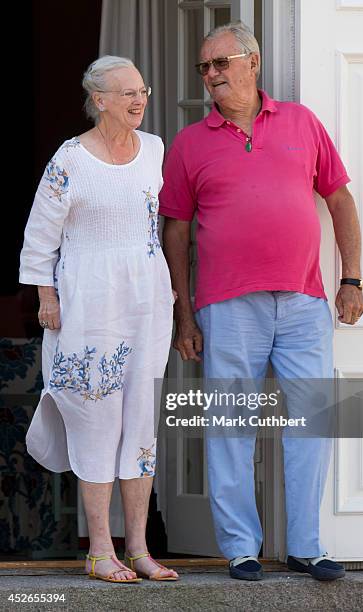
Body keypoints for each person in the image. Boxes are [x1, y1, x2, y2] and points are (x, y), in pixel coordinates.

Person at [159, 22, 363, 582]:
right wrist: (183, 313)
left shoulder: (300, 121)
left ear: (253, 63)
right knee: (231, 425)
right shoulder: (189, 143)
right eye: (204, 67)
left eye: (220, 63)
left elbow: (339, 200)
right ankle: (240, 548)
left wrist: (353, 279)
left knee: (310, 424)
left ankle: (306, 545)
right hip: (227, 306)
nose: (211, 75)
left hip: (303, 300)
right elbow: (174, 231)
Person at [19, 55, 178, 583]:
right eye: (127, 92)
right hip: (88, 300)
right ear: (100, 99)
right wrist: (47, 296)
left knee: (139, 420)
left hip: (146, 300)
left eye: (143, 90)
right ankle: (99, 550)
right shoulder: (71, 160)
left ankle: (138, 548)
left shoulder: (154, 149)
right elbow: (41, 235)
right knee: (95, 420)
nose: (140, 100)